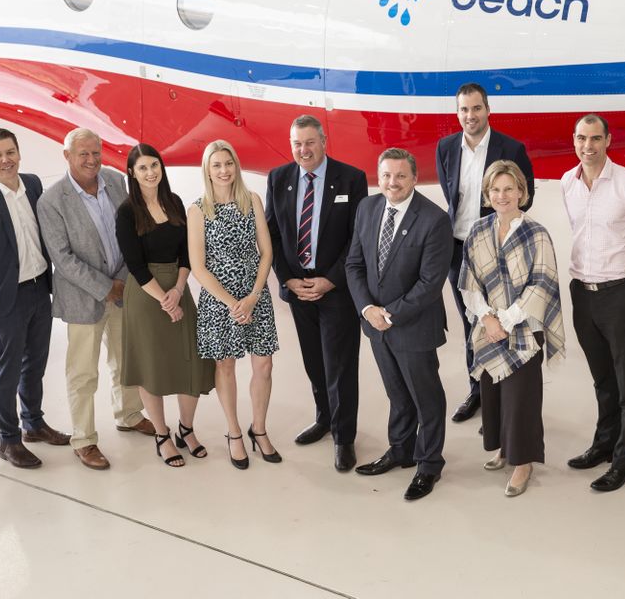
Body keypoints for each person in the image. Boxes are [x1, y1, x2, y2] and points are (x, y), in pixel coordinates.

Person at [37, 128, 154, 471]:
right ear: (67, 156)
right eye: (83, 154)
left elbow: (134, 231)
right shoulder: (52, 201)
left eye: (96, 153)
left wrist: (124, 281)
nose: (91, 160)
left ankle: (129, 414)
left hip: (123, 288)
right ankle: (84, 440)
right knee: (83, 373)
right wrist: (107, 287)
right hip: (84, 298)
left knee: (125, 360)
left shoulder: (116, 182)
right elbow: (63, 258)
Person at [560, 114, 625, 492]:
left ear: (608, 141)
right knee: (603, 377)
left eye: (596, 139)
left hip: (621, 292)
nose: (588, 146)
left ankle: (624, 462)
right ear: (574, 140)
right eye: (582, 138)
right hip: (582, 293)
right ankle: (603, 445)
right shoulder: (568, 183)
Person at [0, 128, 70, 470]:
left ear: (19, 154)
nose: (5, 160)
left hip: (39, 287)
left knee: (35, 362)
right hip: (6, 297)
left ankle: (33, 423)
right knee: (8, 369)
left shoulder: (34, 185)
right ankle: (9, 440)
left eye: (10, 152)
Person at [346, 148, 452, 501]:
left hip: (413, 326)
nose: (393, 182)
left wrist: (387, 313)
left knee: (427, 398)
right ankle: (401, 450)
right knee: (396, 394)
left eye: (401, 176)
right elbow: (354, 265)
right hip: (375, 325)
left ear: (414, 178)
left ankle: (429, 463)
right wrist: (366, 309)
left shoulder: (434, 220)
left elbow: (430, 283)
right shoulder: (367, 208)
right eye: (387, 175)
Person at [264, 116, 368, 472]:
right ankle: (324, 418)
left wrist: (331, 280)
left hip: (335, 290)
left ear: (324, 141)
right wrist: (288, 279)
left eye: (310, 142)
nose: (303, 150)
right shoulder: (279, 179)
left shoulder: (351, 179)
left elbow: (358, 239)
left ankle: (344, 437)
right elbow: (273, 235)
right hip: (299, 289)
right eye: (297, 143)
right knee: (314, 362)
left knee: (340, 366)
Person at [458, 160, 565, 497]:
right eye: (495, 190)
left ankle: (523, 463)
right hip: (489, 326)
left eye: (509, 189)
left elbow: (542, 284)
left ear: (521, 191)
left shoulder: (537, 233)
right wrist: (488, 319)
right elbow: (469, 280)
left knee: (521, 399)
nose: (502, 195)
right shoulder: (478, 231)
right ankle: (505, 449)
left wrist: (505, 320)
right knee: (494, 394)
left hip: (523, 328)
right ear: (488, 194)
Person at [436, 83, 535, 424]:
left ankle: (505, 396)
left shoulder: (511, 147)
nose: (470, 115)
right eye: (464, 109)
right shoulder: (446, 147)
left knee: (502, 320)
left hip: (497, 251)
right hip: (458, 250)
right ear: (457, 112)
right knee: (472, 323)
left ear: (488, 110)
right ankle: (477, 391)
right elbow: (453, 199)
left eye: (476, 108)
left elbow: (527, 196)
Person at [115, 144, 217, 468]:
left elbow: (187, 253)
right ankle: (162, 434)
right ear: (132, 172)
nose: (150, 173)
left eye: (154, 166)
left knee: (192, 361)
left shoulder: (174, 202)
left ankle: (186, 428)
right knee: (152, 367)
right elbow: (135, 264)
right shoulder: (127, 211)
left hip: (177, 286)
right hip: (147, 295)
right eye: (142, 168)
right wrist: (165, 299)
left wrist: (178, 289)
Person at [188, 140, 281, 469]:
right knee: (225, 366)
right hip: (219, 301)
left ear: (235, 166)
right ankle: (234, 432)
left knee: (264, 365)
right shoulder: (198, 210)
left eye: (228, 163)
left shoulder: (252, 200)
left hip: (255, 296)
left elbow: (266, 252)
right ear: (208, 171)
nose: (224, 170)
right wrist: (232, 303)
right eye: (217, 165)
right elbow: (198, 267)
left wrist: (253, 296)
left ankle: (259, 428)